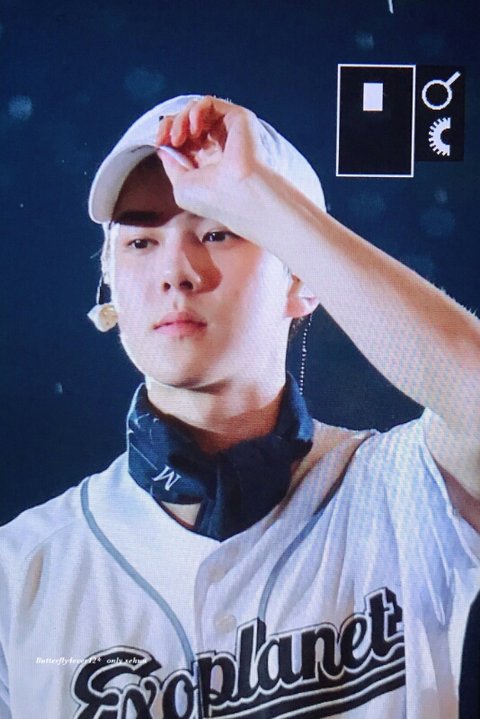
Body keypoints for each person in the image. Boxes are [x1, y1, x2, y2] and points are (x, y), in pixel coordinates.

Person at [0, 94, 479, 719]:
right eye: (140, 242)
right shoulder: (21, 568)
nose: (175, 272)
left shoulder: (409, 491)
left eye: (218, 231)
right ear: (109, 282)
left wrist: (260, 194)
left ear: (302, 279)